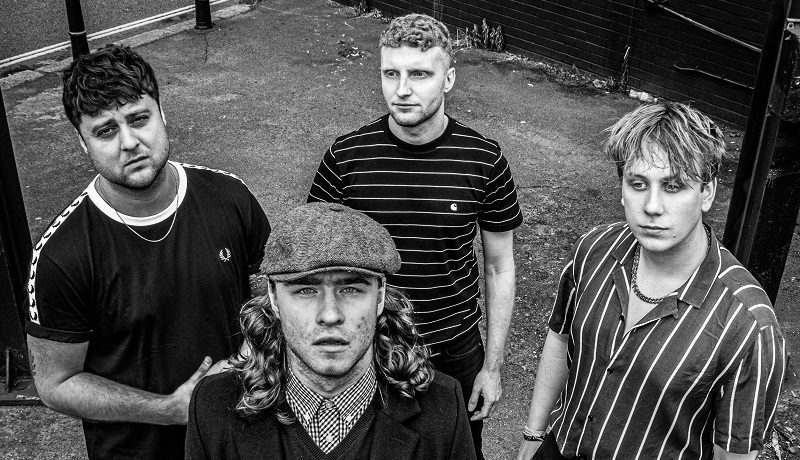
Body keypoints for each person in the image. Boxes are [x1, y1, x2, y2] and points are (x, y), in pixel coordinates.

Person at [24, 45, 271, 459]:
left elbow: (273, 297)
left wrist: (243, 362)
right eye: (105, 131)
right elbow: (56, 384)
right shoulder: (61, 255)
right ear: (83, 143)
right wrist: (168, 409)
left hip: (241, 434)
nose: (130, 142)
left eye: (139, 119)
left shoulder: (229, 197)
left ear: (162, 114)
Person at [516, 102, 786, 460]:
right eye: (638, 184)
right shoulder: (594, 250)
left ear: (707, 192)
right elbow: (560, 337)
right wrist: (534, 433)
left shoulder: (748, 324)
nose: (652, 206)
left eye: (673, 186)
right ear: (621, 188)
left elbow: (733, 452)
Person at [307, 14, 523, 457]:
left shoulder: (484, 160)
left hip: (455, 351)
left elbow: (500, 268)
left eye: (419, 74)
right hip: (369, 349)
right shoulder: (346, 159)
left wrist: (492, 367)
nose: (402, 89)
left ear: (449, 79)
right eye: (391, 74)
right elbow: (313, 264)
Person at [186, 202, 476, 459]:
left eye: (350, 288)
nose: (330, 315)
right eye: (305, 290)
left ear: (379, 296)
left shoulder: (442, 408)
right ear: (274, 298)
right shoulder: (213, 407)